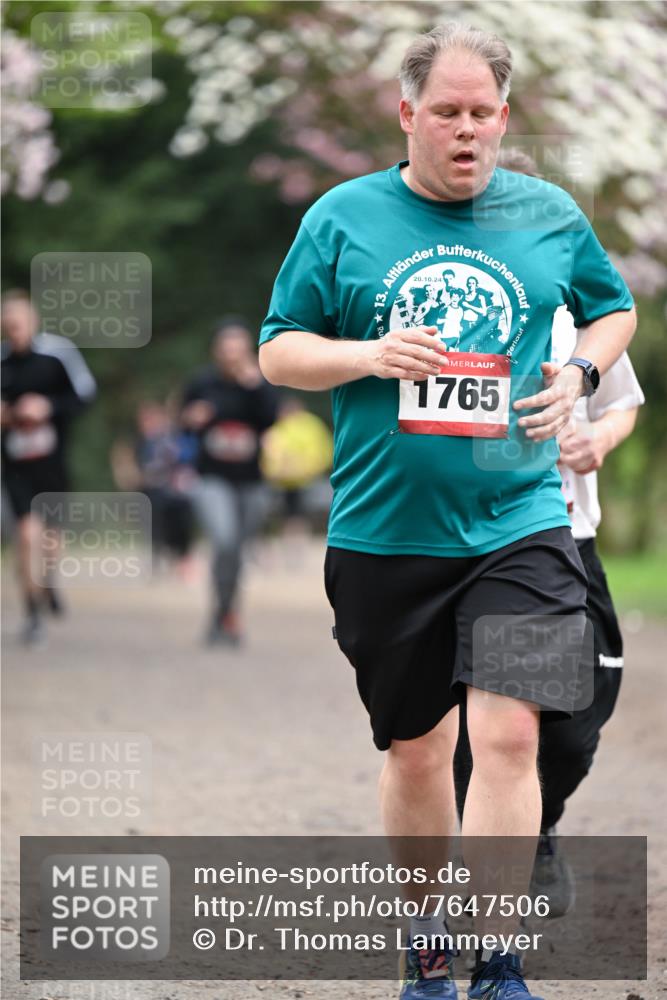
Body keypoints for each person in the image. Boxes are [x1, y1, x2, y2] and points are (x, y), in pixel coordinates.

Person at [258, 22, 636, 1000]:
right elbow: (278, 348)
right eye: (446, 113)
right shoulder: (343, 217)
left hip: (521, 518)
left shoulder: (546, 214)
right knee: (418, 747)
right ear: (407, 115)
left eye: (482, 115)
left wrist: (581, 371)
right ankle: (428, 952)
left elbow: (611, 306)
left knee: (509, 734)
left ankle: (498, 960)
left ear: (503, 119)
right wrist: (365, 356)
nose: (465, 131)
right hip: (385, 534)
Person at [1, 289, 97, 643]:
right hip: (14, 465)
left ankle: (49, 580)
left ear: (33, 322)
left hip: (52, 463)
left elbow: (85, 396)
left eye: (19, 324)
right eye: (8, 326)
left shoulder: (57, 355)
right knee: (26, 536)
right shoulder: (3, 362)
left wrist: (48, 408)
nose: (15, 332)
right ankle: (31, 612)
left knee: (51, 537)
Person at [181, 317, 278, 646]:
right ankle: (221, 613)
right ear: (217, 352)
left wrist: (255, 386)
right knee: (223, 540)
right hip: (212, 477)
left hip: (251, 480)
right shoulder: (202, 383)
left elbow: (272, 421)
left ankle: (226, 613)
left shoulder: (259, 384)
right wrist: (191, 419)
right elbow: (181, 424)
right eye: (227, 349)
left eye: (239, 349)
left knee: (237, 550)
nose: (233, 356)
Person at [110, 400, 197, 578]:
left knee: (181, 510)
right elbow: (126, 468)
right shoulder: (137, 442)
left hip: (175, 489)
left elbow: (186, 460)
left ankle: (180, 556)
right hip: (149, 490)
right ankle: (159, 554)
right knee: (154, 510)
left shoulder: (172, 438)